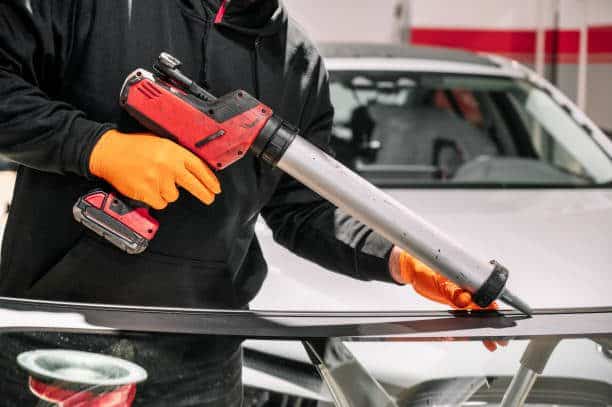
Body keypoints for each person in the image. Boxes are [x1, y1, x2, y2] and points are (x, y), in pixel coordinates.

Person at [0, 1, 500, 405]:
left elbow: (302, 208)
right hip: (53, 336)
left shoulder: (297, 63)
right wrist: (95, 147)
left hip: (201, 362)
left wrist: (399, 257)